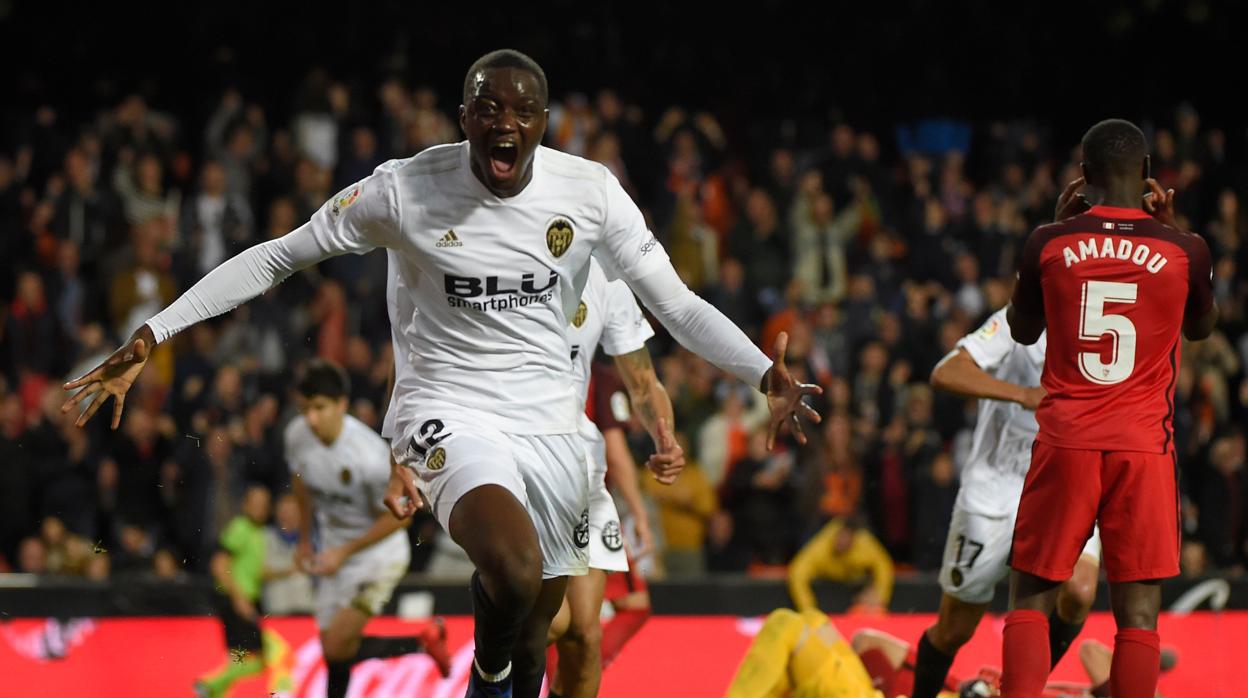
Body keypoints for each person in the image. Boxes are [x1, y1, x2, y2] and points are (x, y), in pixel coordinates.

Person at [63, 49, 819, 698]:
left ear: (543, 122)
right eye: (488, 109)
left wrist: (764, 375)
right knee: (514, 572)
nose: (505, 123)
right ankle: (483, 679)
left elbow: (677, 305)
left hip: (553, 425)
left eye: (522, 111)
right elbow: (279, 256)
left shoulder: (588, 193)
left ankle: (500, 671)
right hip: (447, 408)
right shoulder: (403, 190)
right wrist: (155, 331)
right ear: (464, 118)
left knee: (540, 632)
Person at [1003, 118, 1217, 697]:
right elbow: (1202, 328)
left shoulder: (1049, 242)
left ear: (1083, 176)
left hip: (1066, 440)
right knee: (1139, 614)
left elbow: (1021, 330)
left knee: (1032, 598)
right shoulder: (1186, 249)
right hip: (1143, 448)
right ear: (1147, 173)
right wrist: (1170, 229)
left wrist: (1057, 225)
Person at [911, 306, 1102, 698]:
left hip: (1062, 484)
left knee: (1079, 591)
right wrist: (1024, 395)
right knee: (954, 629)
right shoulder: (1022, 318)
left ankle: (1012, 691)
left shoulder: (1104, 318)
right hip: (995, 489)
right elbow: (946, 371)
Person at [544, 259, 672, 698]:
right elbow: (616, 449)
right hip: (568, 487)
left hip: (585, 491)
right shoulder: (603, 380)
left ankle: (566, 670)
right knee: (578, 620)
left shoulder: (600, 373)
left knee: (574, 624)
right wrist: (638, 514)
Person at [286, 360, 450, 697]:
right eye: (305, 409)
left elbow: (401, 517)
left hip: (378, 557)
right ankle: (423, 643)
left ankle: (419, 644)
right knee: (334, 651)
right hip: (333, 551)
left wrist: (344, 551)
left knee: (336, 645)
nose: (311, 419)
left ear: (342, 405)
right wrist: (304, 541)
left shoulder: (369, 457)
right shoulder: (297, 435)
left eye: (320, 408)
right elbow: (300, 482)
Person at [194, 485, 277, 697]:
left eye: (264, 505)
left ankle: (214, 692)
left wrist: (290, 570)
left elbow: (258, 570)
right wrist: (238, 599)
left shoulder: (257, 532)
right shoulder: (240, 528)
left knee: (237, 658)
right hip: (235, 600)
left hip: (241, 599)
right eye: (256, 504)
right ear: (245, 505)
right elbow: (219, 564)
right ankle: (209, 683)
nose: (260, 509)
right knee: (259, 658)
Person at [787, 517, 894, 614]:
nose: (842, 541)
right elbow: (797, 574)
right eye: (840, 536)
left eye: (847, 537)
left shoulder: (864, 544)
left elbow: (883, 566)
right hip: (827, 586)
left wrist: (880, 597)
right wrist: (808, 609)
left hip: (857, 587)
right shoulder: (820, 547)